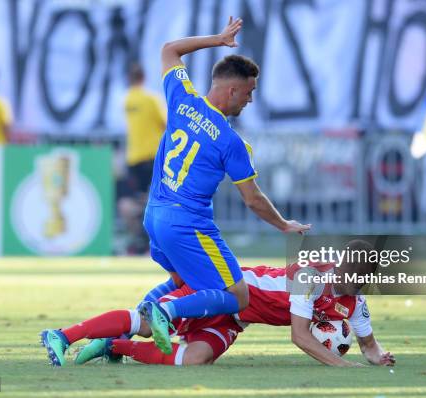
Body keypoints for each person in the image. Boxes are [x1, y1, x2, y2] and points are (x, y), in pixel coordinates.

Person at [137, 16, 311, 355]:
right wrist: (283, 225)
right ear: (232, 90)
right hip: (187, 224)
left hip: (154, 216)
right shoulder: (232, 143)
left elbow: (170, 50)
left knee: (179, 282)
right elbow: (253, 199)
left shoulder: (182, 99)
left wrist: (218, 39)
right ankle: (165, 312)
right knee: (237, 296)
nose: (249, 100)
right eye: (249, 92)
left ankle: (118, 333)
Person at [41, 242, 395, 367]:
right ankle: (62, 334)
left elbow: (368, 345)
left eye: (356, 275)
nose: (346, 275)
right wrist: (341, 367)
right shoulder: (311, 278)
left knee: (196, 359)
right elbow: (300, 337)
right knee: (148, 324)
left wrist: (378, 357)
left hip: (236, 319)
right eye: (346, 267)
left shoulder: (354, 301)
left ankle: (113, 346)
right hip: (226, 290)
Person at [119, 63, 167, 253]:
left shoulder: (127, 100)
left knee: (133, 200)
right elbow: (166, 124)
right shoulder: (151, 99)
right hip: (152, 157)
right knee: (152, 200)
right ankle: (147, 241)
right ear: (144, 78)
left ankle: (138, 238)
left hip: (133, 157)